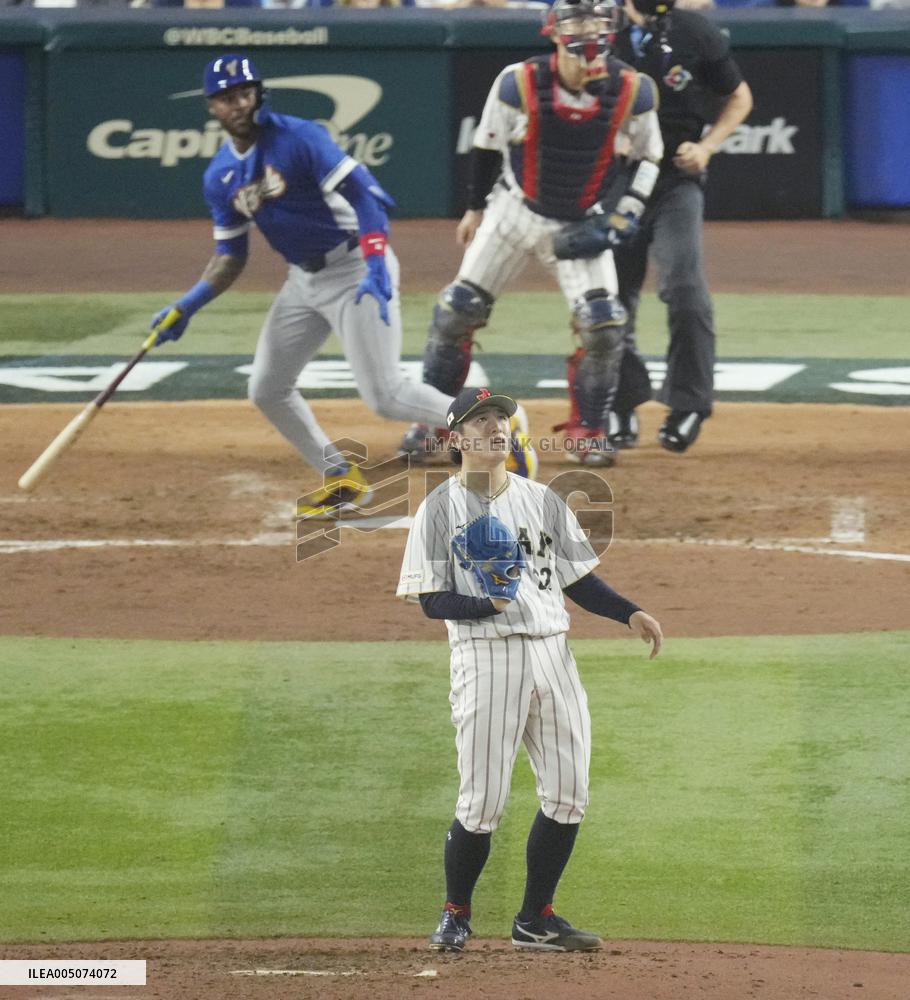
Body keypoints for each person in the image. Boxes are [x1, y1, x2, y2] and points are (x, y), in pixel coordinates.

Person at [397, 386, 663, 952]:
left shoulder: (542, 499)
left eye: (502, 417)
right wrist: (485, 605)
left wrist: (629, 612)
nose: (497, 426)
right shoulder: (438, 511)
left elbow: (577, 581)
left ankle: (534, 918)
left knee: (569, 794)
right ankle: (456, 912)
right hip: (486, 657)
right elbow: (431, 601)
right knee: (483, 803)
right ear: (455, 438)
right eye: (483, 419)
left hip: (554, 656)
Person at [149, 55, 458, 517]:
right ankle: (342, 477)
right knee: (267, 389)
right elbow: (231, 256)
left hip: (355, 270)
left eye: (245, 93)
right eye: (227, 97)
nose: (238, 104)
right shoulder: (220, 176)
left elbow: (366, 198)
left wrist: (376, 262)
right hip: (303, 281)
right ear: (212, 106)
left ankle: (492, 425)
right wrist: (187, 306)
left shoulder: (299, 137)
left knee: (386, 395)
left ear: (258, 94)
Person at [398, 0, 663, 469]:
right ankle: (435, 424)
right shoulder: (518, 83)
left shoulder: (632, 89)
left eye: (600, 23)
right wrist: (475, 208)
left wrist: (629, 210)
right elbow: (485, 147)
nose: (592, 38)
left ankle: (589, 430)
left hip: (581, 219)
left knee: (604, 325)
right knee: (455, 313)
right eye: (580, 24)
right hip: (514, 210)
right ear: (556, 33)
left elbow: (649, 156)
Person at [559, 0, 752, 452]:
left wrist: (707, 147)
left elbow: (739, 96)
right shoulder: (601, 33)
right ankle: (620, 403)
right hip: (614, 185)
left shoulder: (694, 31)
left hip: (674, 181)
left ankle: (689, 403)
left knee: (685, 288)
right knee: (609, 299)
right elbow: (570, 99)